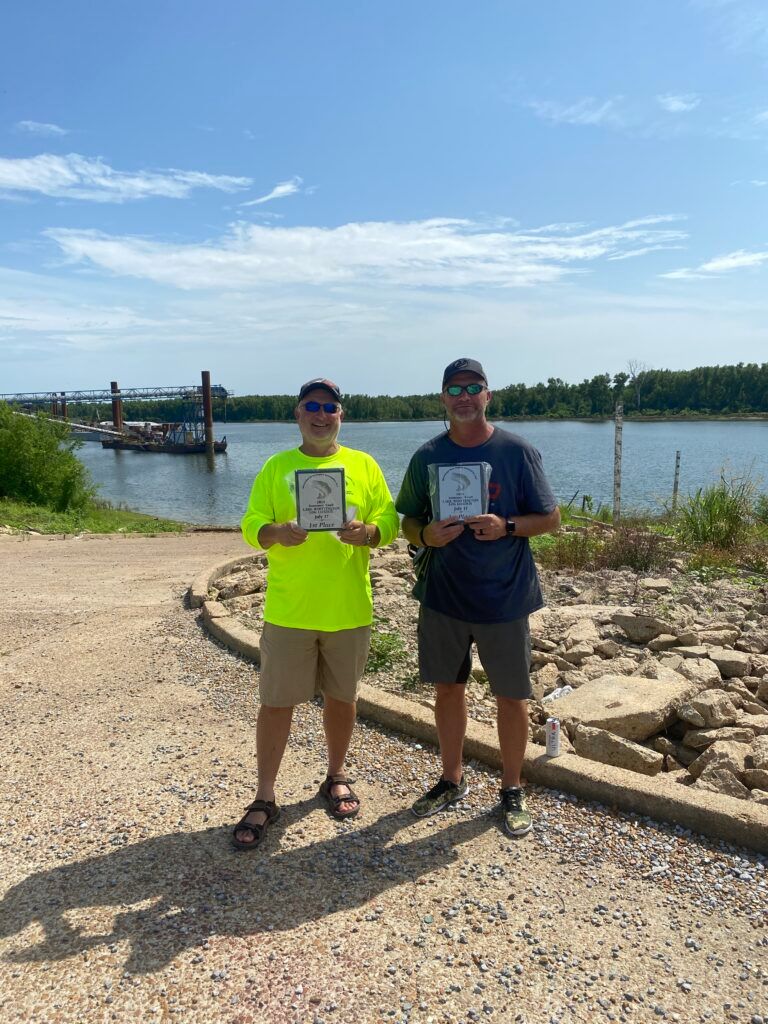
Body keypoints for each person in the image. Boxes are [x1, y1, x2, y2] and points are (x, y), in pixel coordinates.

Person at [396, 358, 560, 837]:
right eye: (454, 389)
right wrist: (425, 535)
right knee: (448, 689)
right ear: (443, 398)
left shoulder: (518, 451)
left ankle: (512, 788)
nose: (464, 397)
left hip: (504, 597)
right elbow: (407, 520)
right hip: (443, 596)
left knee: (511, 696)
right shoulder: (427, 456)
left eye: (473, 388)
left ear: (488, 395)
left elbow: (550, 518)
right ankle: (452, 779)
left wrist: (507, 525)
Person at [234, 377, 399, 850]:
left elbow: (389, 519)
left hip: (348, 609)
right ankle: (265, 795)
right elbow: (249, 523)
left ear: (341, 415)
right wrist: (276, 532)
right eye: (312, 406)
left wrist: (369, 533)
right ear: (298, 414)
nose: (321, 415)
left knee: (343, 699)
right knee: (276, 703)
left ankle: (336, 775)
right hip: (290, 609)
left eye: (330, 407)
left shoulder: (364, 465)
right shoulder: (276, 466)